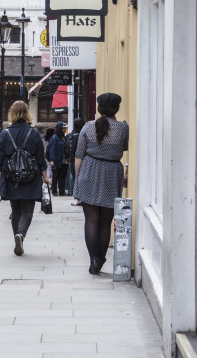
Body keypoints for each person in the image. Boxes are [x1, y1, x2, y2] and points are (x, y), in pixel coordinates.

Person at [74, 93, 129, 274]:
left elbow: (79, 155)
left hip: (89, 171)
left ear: (99, 109)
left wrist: (78, 179)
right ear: (117, 109)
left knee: (91, 220)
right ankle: (100, 259)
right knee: (106, 221)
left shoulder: (89, 127)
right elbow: (124, 147)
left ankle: (94, 260)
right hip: (112, 173)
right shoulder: (122, 129)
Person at [0, 100, 49, 256]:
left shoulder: (5, 133)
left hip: (12, 176)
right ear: (27, 113)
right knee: (27, 210)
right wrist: (45, 177)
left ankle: (16, 238)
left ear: (11, 113)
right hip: (31, 176)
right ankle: (21, 234)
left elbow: (0, 159)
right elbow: (41, 158)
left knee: (15, 209)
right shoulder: (34, 133)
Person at [66, 118, 85, 204]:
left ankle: (78, 198)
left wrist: (69, 157)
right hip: (84, 159)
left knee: (75, 178)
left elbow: (71, 149)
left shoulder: (73, 135)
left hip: (74, 159)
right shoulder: (84, 134)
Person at [48, 121, 69, 196]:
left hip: (63, 160)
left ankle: (62, 191)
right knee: (55, 176)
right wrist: (52, 160)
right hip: (57, 160)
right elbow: (52, 149)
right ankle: (54, 191)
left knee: (62, 176)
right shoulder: (54, 138)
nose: (64, 130)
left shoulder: (63, 137)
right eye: (63, 128)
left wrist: (66, 158)